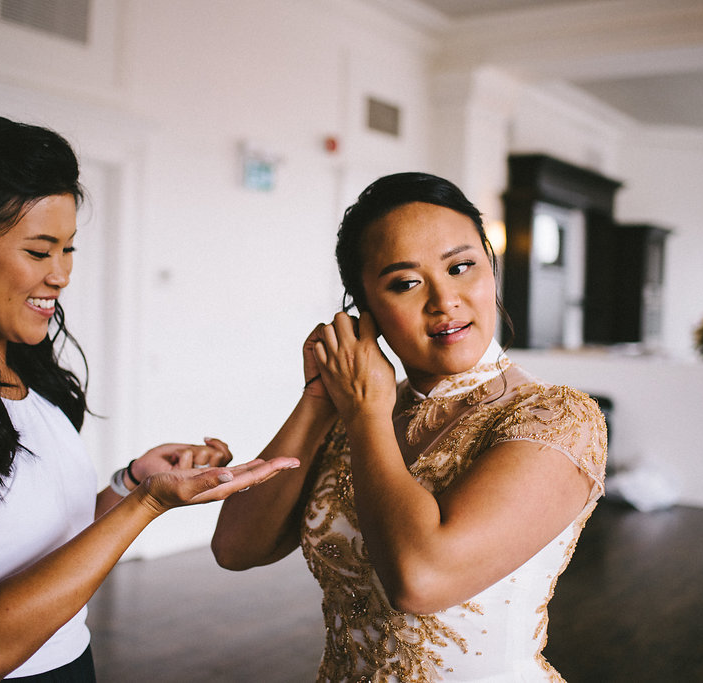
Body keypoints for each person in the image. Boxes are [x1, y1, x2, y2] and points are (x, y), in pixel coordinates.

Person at [0, 114, 298, 683]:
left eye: (68, 249)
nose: (61, 275)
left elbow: (38, 546)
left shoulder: (22, 371)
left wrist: (130, 485)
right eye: (39, 250)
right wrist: (149, 507)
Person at [212, 172, 607, 681]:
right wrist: (318, 400)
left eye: (462, 267)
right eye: (405, 283)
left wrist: (364, 414)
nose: (445, 300)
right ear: (363, 310)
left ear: (491, 267)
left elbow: (421, 581)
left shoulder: (556, 418)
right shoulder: (358, 412)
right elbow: (237, 548)